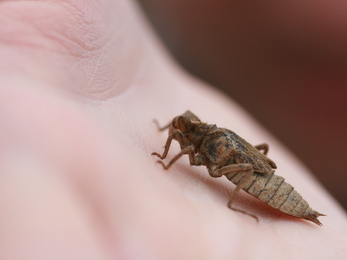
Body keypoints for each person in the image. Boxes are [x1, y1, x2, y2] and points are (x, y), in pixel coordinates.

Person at [0, 0, 346, 259]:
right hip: (260, 175)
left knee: (233, 164)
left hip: (261, 182)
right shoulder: (205, 134)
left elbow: (181, 147)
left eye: (181, 129)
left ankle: (242, 204)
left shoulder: (205, 142)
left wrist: (167, 162)